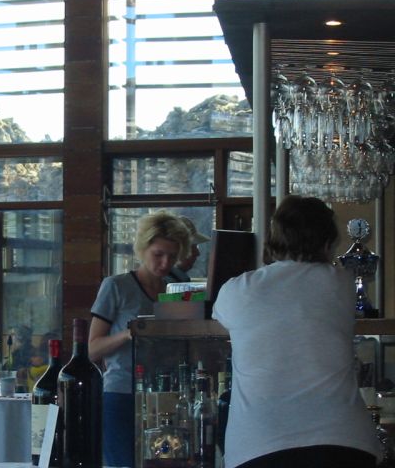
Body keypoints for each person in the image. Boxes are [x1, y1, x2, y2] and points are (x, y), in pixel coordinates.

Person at [212, 195, 381, 468]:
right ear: (328, 242)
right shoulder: (341, 283)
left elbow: (219, 317)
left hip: (259, 443)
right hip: (345, 440)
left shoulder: (238, 290)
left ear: (273, 238)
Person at [88, 211, 190, 467]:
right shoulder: (116, 286)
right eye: (158, 254)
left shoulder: (177, 288)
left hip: (165, 395)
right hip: (121, 393)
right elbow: (92, 349)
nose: (165, 263)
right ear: (142, 249)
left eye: (172, 256)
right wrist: (129, 333)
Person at [165, 215, 210, 283]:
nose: (197, 253)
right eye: (190, 247)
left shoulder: (180, 278)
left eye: (196, 246)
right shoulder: (166, 283)